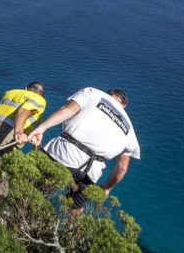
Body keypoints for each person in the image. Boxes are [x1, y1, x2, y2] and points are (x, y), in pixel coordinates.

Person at [25, 87, 140, 215]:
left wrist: (41, 128)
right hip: (90, 171)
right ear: (124, 105)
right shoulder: (130, 131)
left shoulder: (93, 93)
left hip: (63, 153)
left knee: (38, 191)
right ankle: (68, 233)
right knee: (75, 211)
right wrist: (107, 187)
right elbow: (122, 168)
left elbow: (67, 110)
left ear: (107, 94)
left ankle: (24, 222)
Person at [0, 82, 47, 164]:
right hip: (3, 133)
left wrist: (31, 135)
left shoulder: (11, 92)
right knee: (0, 171)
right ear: (41, 95)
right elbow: (23, 111)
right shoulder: (39, 99)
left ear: (26, 89)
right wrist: (19, 132)